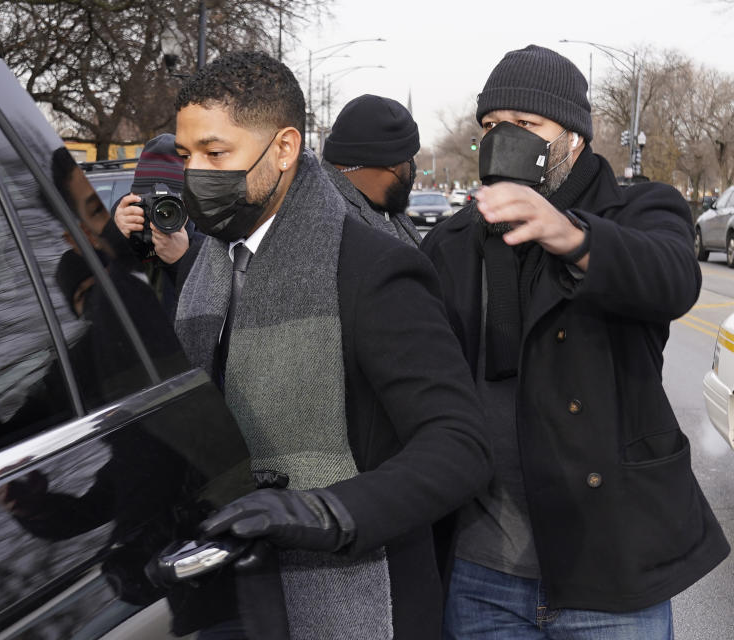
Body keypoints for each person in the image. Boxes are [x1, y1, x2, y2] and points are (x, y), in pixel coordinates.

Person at [172, 50, 492, 639]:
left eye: (216, 154)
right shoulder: (206, 271)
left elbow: (459, 445)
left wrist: (323, 511)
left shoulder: (373, 269)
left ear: (286, 149)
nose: (196, 173)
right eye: (186, 155)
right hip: (234, 601)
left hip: (367, 600)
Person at [419, 45, 730, 639]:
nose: (503, 138)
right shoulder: (455, 241)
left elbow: (673, 277)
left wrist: (572, 236)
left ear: (575, 141)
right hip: (483, 569)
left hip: (609, 566)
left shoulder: (639, 208)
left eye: (528, 126)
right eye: (491, 126)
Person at [113, 133, 198, 319]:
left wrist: (182, 262)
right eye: (151, 202)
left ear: (186, 202)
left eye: (169, 204)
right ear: (134, 197)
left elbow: (212, 315)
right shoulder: (121, 224)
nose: (160, 214)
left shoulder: (207, 240)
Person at [321, 94, 422, 246]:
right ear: (393, 163)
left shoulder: (386, 213)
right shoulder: (331, 224)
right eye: (410, 159)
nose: (413, 169)